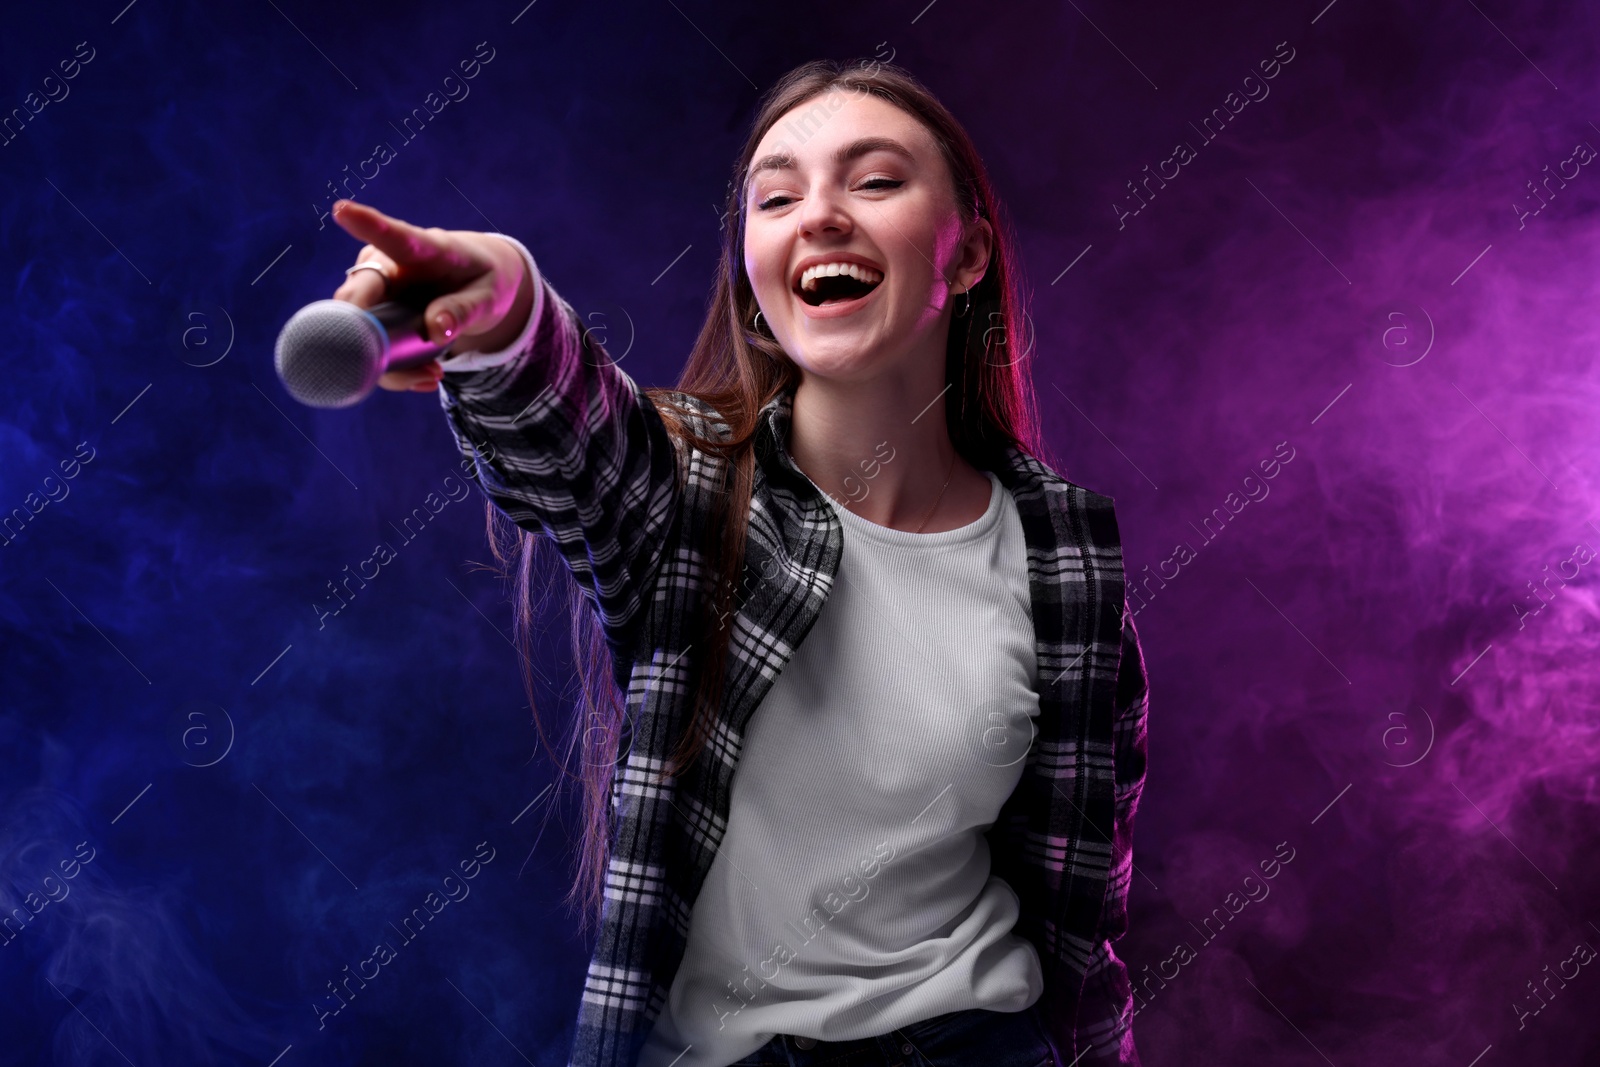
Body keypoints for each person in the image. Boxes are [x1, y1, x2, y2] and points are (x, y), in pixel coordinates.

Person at [329, 57, 1148, 1067]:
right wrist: (503, 307)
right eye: (776, 196)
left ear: (967, 253)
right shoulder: (689, 487)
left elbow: (1079, 911)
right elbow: (571, 436)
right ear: (756, 279)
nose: (819, 215)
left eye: (876, 180)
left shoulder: (1060, 551)